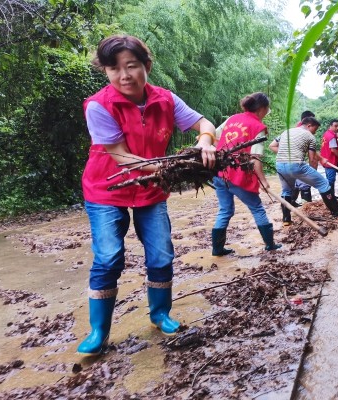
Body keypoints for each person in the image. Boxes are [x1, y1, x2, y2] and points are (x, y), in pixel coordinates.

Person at [77, 35, 217, 356]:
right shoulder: (99, 105)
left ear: (147, 67)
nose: (124, 75)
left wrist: (206, 142)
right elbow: (120, 156)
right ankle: (99, 331)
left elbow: (203, 123)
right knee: (109, 256)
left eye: (131, 66)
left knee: (161, 254)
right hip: (106, 189)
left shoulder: (165, 99)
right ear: (106, 72)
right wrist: (173, 169)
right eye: (114, 68)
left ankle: (160, 314)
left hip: (151, 190)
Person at [211, 92, 281, 256]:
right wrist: (263, 181)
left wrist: (223, 153)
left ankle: (217, 249)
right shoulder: (258, 127)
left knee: (224, 210)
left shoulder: (232, 118)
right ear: (262, 108)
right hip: (237, 175)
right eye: (267, 109)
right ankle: (270, 245)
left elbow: (213, 136)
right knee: (257, 208)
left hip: (219, 172)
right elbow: (255, 159)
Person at [271, 117, 338, 225]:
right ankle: (336, 210)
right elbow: (312, 159)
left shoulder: (287, 131)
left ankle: (286, 219)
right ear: (309, 125)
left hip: (280, 165)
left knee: (286, 191)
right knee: (323, 183)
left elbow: (273, 145)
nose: (315, 132)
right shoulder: (310, 136)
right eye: (315, 129)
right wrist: (313, 174)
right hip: (296, 165)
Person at [319, 119, 338, 196]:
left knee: (329, 179)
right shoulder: (332, 137)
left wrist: (337, 136)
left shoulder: (326, 134)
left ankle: (331, 196)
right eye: (335, 126)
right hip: (330, 162)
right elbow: (333, 150)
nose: (337, 128)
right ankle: (331, 197)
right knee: (331, 180)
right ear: (331, 126)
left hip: (325, 160)